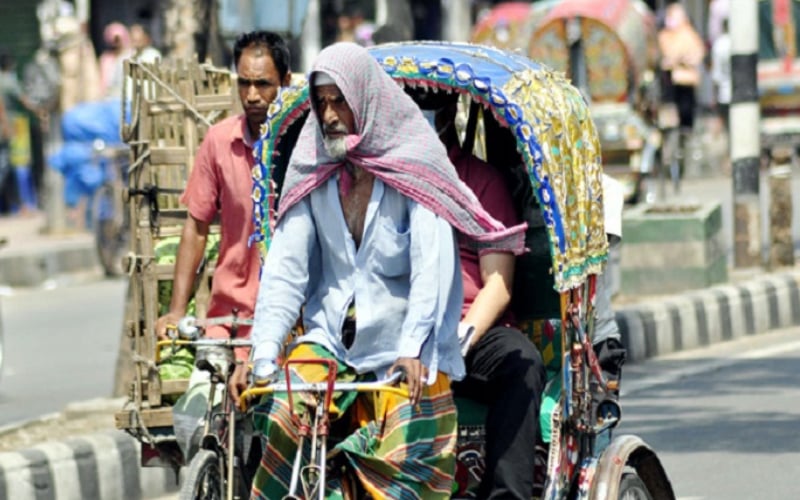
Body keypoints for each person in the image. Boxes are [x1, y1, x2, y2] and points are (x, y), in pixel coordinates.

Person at [244, 42, 527, 499]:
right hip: (330, 340)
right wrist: (263, 354)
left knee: (401, 460)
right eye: (322, 103)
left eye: (341, 101)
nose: (331, 115)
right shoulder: (313, 166)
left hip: (406, 345)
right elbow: (286, 271)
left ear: (365, 100)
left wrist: (416, 346)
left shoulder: (416, 166)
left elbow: (431, 269)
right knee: (280, 413)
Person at [427, 95, 547, 499]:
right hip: (402, 326)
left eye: (429, 103)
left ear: (448, 112)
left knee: (522, 363)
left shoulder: (479, 181)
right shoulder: (381, 178)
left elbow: (497, 283)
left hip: (467, 329)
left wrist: (459, 339)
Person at [155, 31, 292, 371]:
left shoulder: (305, 144)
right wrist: (176, 311)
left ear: (286, 82)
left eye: (263, 84)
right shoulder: (219, 141)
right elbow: (196, 227)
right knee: (203, 411)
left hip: (292, 319)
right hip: (229, 318)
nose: (252, 95)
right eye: (244, 83)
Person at [0, 51, 39, 215]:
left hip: (7, 126)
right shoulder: (8, 81)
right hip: (13, 126)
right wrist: (39, 111)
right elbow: (24, 100)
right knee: (18, 165)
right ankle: (26, 204)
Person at [98, 22, 132, 98]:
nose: (116, 43)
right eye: (113, 40)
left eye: (118, 39)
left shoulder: (130, 56)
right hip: (108, 98)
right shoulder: (105, 58)